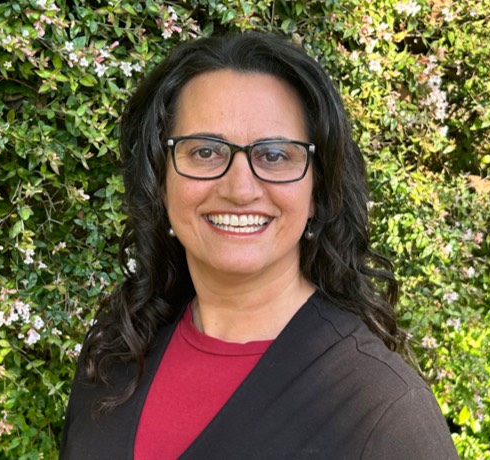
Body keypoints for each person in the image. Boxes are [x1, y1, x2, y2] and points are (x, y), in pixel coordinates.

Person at [60, 32, 458, 459]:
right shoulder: (115, 354)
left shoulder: (381, 411)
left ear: (317, 191)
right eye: (206, 151)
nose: (240, 188)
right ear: (160, 180)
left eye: (274, 155)